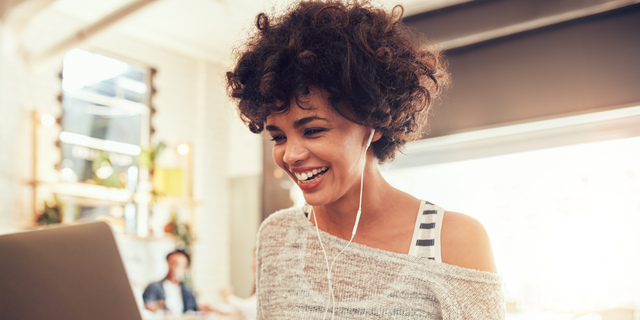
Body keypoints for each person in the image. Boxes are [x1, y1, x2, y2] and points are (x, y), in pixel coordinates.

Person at [226, 0, 505, 319]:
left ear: (373, 123)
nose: (290, 154)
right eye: (278, 136)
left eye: (313, 130)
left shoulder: (453, 241)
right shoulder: (277, 237)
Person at [142, 249, 209, 316]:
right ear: (167, 263)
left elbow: (194, 309)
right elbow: (145, 306)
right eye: (173, 263)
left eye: (180, 265)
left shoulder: (187, 290)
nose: (175, 267)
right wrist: (156, 306)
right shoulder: (154, 287)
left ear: (185, 268)